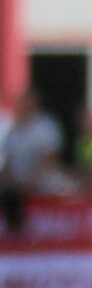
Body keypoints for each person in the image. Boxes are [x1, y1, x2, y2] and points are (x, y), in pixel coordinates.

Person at [1, 88, 66, 234]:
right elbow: (8, 163)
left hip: (42, 181)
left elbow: (50, 160)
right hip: (17, 183)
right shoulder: (13, 131)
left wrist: (31, 182)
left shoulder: (46, 127)